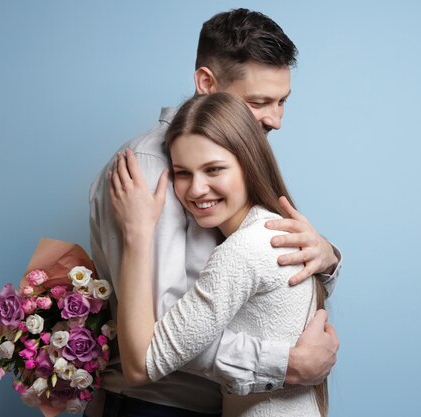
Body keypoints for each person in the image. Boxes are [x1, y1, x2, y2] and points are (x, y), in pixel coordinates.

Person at [87, 8, 341, 417]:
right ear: (207, 83)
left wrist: (327, 256)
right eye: (259, 102)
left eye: (282, 101)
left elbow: (266, 275)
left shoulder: (231, 158)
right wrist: (286, 364)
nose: (275, 120)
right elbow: (159, 341)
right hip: (157, 406)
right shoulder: (152, 171)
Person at [111, 92, 329, 417]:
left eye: (213, 170)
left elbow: (141, 366)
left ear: (249, 164)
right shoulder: (275, 231)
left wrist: (136, 234)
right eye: (183, 173)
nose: (196, 189)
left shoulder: (243, 250)